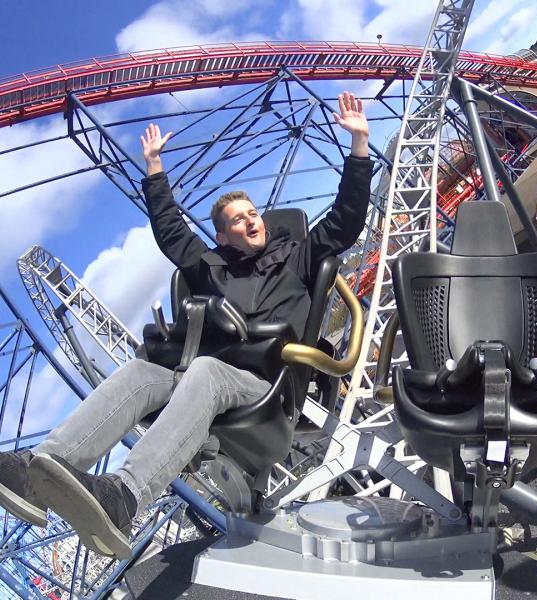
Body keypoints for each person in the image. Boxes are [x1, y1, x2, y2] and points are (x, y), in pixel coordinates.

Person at [0, 91, 372, 559]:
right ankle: (43, 467)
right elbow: (173, 235)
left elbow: (345, 219)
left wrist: (359, 146)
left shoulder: (299, 255)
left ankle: (126, 496)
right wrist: (154, 170)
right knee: (139, 372)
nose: (250, 220)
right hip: (203, 373)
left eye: (252, 213)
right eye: (237, 219)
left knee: (205, 372)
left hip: (266, 379)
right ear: (222, 235)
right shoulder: (212, 267)